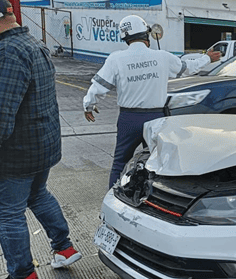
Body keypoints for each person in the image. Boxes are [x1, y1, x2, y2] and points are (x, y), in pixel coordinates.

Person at [0, 0, 81, 279]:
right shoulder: (34, 44)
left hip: (13, 157)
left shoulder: (5, 53)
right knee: (38, 195)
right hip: (42, 149)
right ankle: (64, 249)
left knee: (7, 213)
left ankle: (23, 278)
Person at [83, 15, 221, 188]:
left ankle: (113, 200)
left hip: (128, 118)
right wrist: (207, 58)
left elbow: (98, 86)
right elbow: (188, 68)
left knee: (120, 163)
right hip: (156, 118)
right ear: (146, 34)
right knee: (157, 163)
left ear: (125, 37)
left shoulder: (116, 59)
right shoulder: (163, 57)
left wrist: (89, 105)